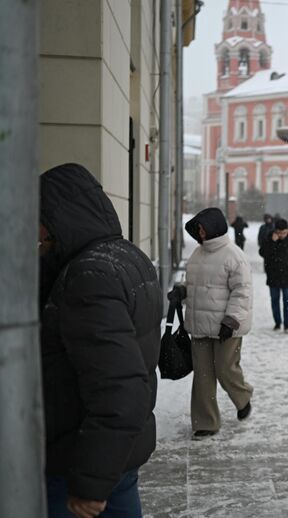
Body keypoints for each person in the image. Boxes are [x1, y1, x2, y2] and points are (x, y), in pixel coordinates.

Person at [39, 163, 162, 518]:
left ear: (58, 219)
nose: (39, 235)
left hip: (81, 458)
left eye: (41, 223)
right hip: (113, 452)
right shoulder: (125, 257)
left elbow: (120, 388)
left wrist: (91, 482)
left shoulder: (88, 275)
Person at [169, 207, 254, 439]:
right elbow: (195, 287)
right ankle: (206, 422)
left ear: (214, 227)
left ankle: (243, 397)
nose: (201, 233)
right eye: (198, 230)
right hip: (199, 325)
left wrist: (232, 319)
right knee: (203, 376)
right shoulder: (197, 255)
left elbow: (242, 291)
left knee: (226, 369)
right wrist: (181, 291)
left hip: (227, 326)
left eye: (203, 228)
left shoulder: (233, 256)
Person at [259, 218, 288, 333]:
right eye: (279, 233)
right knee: (274, 300)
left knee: (287, 300)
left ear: (287, 231)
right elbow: (262, 253)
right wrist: (272, 242)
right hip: (273, 275)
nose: (282, 235)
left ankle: (287, 325)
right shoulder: (269, 238)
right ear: (275, 231)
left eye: (284, 233)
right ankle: (278, 323)